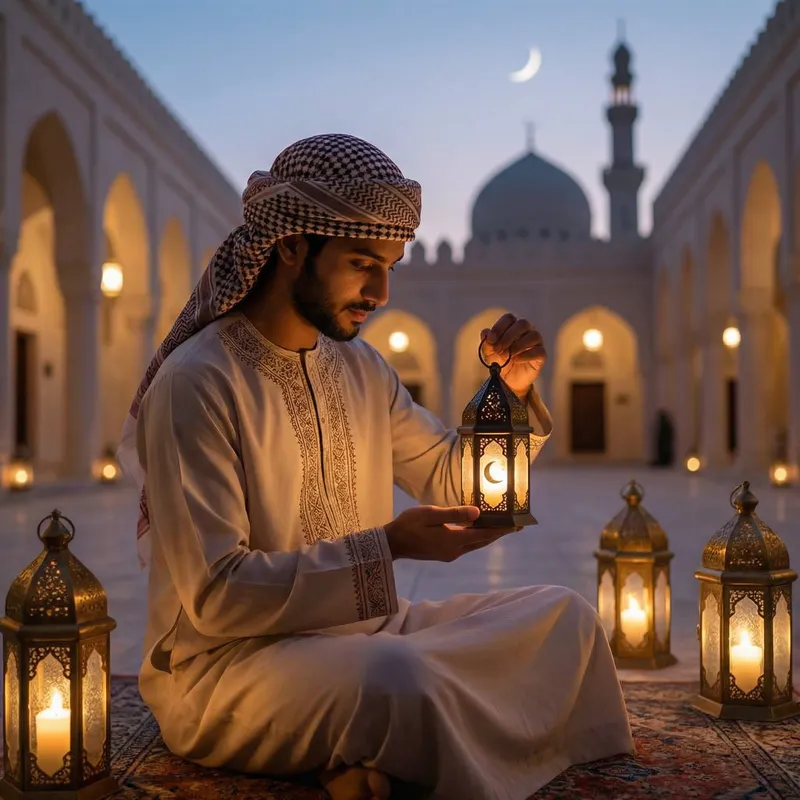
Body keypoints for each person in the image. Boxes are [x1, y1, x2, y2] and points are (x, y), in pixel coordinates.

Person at [118, 133, 633, 800]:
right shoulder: (199, 383)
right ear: (292, 245)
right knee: (398, 680)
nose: (382, 290)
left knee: (566, 620)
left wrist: (510, 395)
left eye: (392, 265)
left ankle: (357, 747)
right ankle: (374, 738)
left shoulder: (361, 368)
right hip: (232, 667)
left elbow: (451, 476)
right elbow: (218, 595)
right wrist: (386, 547)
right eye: (363, 261)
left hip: (370, 634)